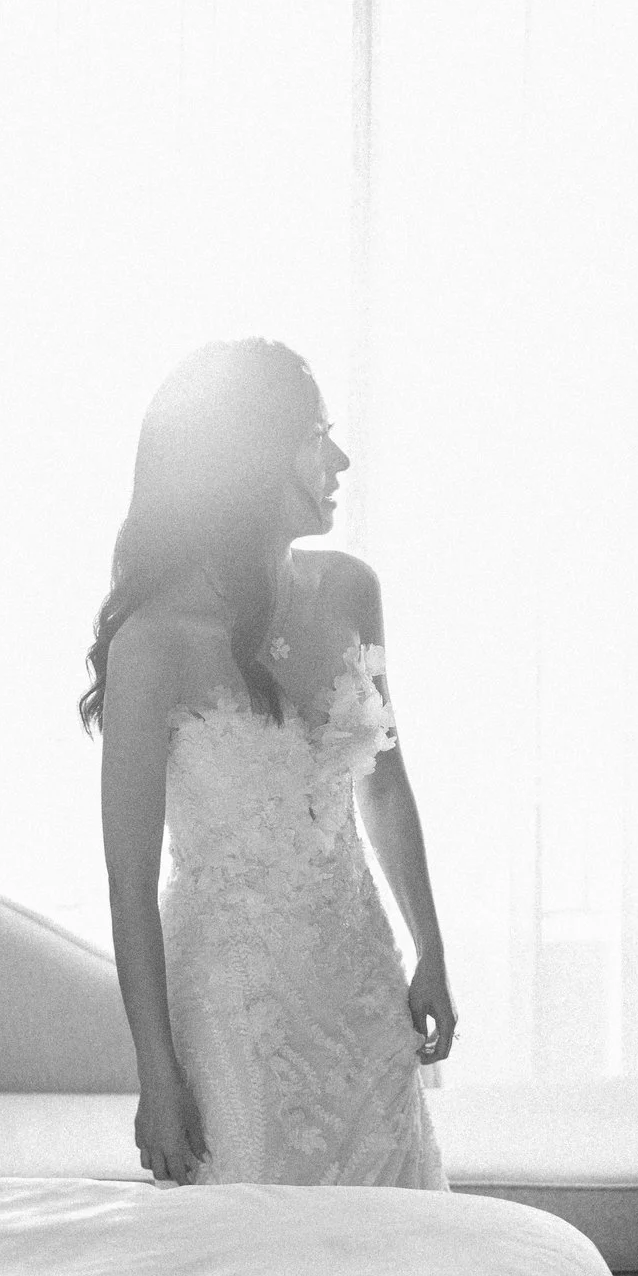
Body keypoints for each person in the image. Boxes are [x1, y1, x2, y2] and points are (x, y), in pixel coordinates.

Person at [81, 338, 455, 1189]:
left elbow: (385, 785)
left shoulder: (352, 590)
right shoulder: (153, 644)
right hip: (236, 1006)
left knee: (392, 1239)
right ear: (248, 461)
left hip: (361, 984)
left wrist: (430, 946)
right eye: (317, 435)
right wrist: (157, 1075)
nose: (341, 460)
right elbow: (128, 884)